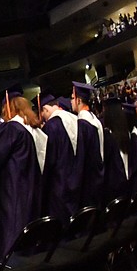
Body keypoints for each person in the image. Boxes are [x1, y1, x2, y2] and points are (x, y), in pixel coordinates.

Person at [0, 91, 47, 262]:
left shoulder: (11, 129)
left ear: (9, 107)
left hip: (12, 194)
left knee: (12, 238)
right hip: (32, 192)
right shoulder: (35, 130)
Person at [40, 94, 80, 222]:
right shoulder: (76, 119)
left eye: (43, 113)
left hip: (60, 184)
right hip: (78, 179)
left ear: (46, 109)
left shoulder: (51, 127)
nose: (44, 118)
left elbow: (49, 161)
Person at [71, 81, 104, 209]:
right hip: (99, 174)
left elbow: (82, 158)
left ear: (79, 100)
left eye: (73, 98)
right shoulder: (94, 119)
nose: (71, 101)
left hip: (90, 179)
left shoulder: (83, 123)